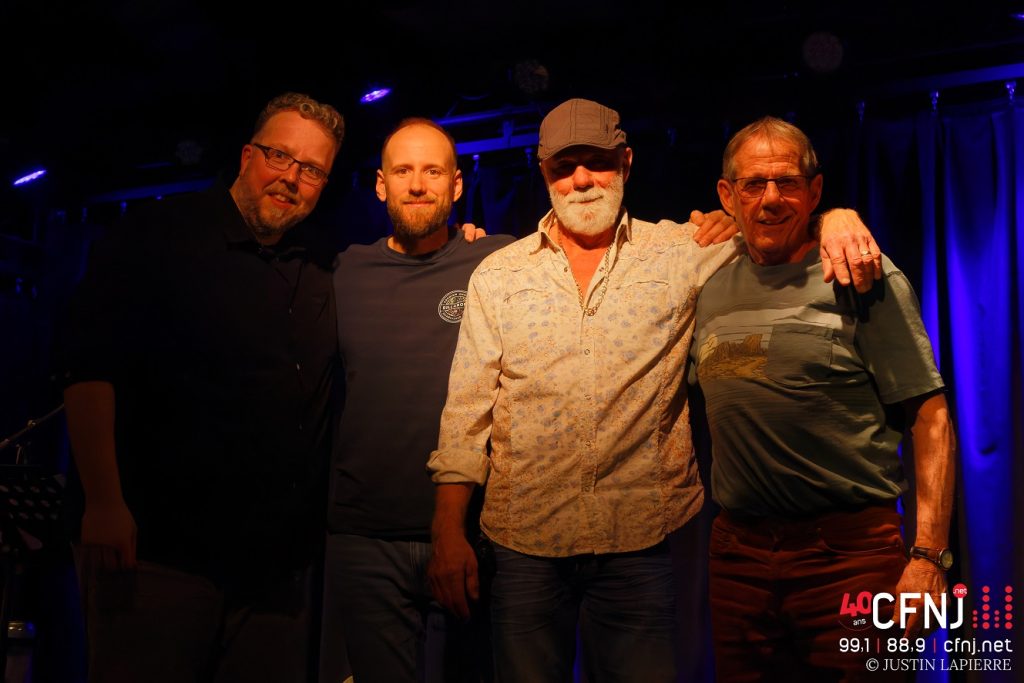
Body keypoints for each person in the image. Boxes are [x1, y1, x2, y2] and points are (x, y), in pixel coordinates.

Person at [426, 98, 881, 682]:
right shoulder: (498, 274)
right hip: (523, 546)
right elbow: (465, 414)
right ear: (543, 173)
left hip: (640, 545)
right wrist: (447, 532)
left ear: (627, 161)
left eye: (597, 162)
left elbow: (774, 214)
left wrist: (836, 216)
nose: (582, 179)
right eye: (565, 166)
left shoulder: (682, 251)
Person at [61, 92, 344, 683]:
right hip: (160, 555)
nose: (292, 178)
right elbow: (89, 371)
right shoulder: (157, 235)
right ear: (247, 156)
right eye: (279, 157)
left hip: (275, 572)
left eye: (312, 169)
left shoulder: (323, 264)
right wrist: (104, 503)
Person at [691, 116, 955, 681]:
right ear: (726, 194)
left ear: (814, 191)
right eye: (753, 184)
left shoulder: (858, 270)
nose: (770, 199)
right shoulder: (707, 280)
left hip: (851, 557)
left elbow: (929, 417)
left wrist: (928, 555)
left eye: (787, 183)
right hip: (739, 559)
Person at [319, 118, 516, 683]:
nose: (418, 184)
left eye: (433, 171)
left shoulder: (496, 263)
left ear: (457, 186)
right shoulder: (342, 272)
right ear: (380, 185)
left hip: (475, 532)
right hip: (364, 535)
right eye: (403, 171)